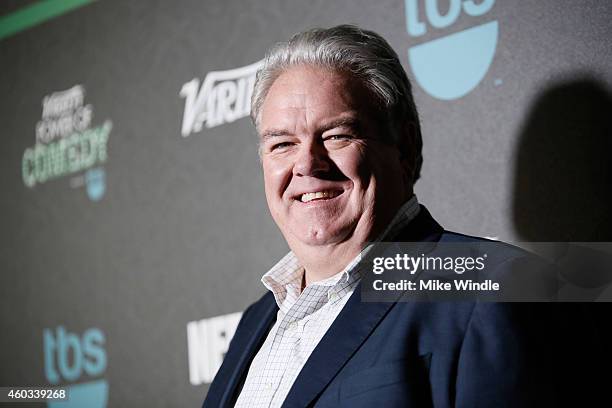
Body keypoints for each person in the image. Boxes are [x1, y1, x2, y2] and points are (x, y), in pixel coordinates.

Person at [202, 25, 599, 407]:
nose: (307, 163)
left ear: (405, 148)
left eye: (337, 135)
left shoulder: (491, 290)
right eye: (282, 144)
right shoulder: (257, 320)